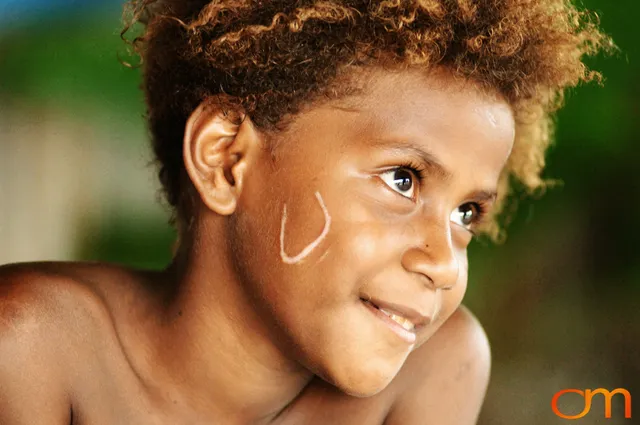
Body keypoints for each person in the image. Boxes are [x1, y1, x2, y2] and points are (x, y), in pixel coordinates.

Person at [0, 1, 611, 424]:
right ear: (226, 160)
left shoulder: (436, 369)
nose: (444, 264)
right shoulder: (31, 349)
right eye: (403, 179)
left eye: (467, 213)